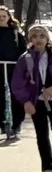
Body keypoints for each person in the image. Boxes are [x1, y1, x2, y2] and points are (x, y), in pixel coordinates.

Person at [12, 24, 52, 172]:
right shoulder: (25, 59)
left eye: (41, 36)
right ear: (30, 39)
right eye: (34, 36)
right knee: (42, 133)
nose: (38, 39)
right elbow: (18, 84)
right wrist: (26, 101)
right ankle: (46, 166)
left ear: (47, 38)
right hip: (36, 102)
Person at [0, 7, 24, 144]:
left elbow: (23, 50)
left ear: (9, 17)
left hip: (14, 68)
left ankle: (16, 124)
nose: (2, 18)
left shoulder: (16, 33)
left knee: (15, 96)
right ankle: (3, 124)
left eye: (4, 16)